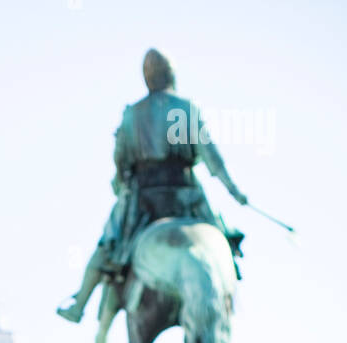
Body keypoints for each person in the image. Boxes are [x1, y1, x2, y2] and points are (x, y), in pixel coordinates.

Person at [58, 47, 248, 324]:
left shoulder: (132, 114)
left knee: (108, 246)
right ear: (172, 75)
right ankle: (227, 289)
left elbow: (121, 163)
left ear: (147, 79)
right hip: (186, 197)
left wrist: (122, 180)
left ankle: (80, 303)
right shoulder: (187, 109)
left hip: (143, 200)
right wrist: (234, 191)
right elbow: (213, 160)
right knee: (222, 243)